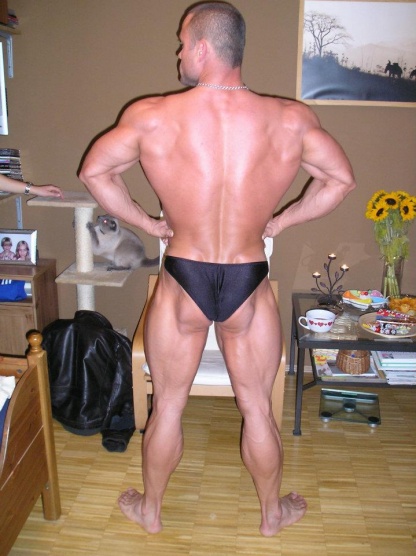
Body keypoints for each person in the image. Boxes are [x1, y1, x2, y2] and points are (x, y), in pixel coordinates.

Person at [79, 1, 356, 537]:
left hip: (184, 272)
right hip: (247, 275)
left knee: (169, 406)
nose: (179, 52)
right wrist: (280, 221)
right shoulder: (290, 119)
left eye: (183, 43)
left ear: (203, 48)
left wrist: (150, 224)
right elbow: (340, 180)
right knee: (256, 408)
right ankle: (271, 515)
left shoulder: (153, 114)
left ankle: (151, 511)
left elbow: (95, 172)